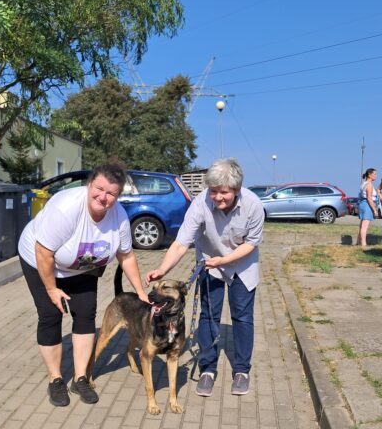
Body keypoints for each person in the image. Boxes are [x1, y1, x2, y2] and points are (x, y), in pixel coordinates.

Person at [17, 164, 150, 407]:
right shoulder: (66, 207)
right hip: (41, 261)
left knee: (86, 314)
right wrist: (51, 290)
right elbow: (43, 252)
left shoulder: (119, 216)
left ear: (118, 195)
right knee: (50, 315)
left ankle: (80, 378)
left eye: (111, 193)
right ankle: (55, 380)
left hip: (83, 264)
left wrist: (141, 292)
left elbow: (126, 256)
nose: (103, 196)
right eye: (99, 188)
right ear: (89, 185)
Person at [145, 158, 265, 397]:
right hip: (210, 264)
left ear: (237, 190)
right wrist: (162, 269)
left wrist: (224, 260)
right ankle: (208, 369)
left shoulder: (253, 205)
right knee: (209, 316)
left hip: (242, 265)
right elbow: (181, 243)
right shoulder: (200, 204)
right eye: (213, 191)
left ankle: (242, 370)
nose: (218, 197)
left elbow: (251, 244)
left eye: (224, 192)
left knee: (242, 317)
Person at [357, 168, 379, 246]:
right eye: (375, 174)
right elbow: (369, 198)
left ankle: (358, 242)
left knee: (362, 225)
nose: (376, 176)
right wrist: (375, 210)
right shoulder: (369, 185)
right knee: (365, 225)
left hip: (362, 204)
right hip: (367, 205)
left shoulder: (364, 183)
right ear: (369, 175)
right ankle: (363, 244)